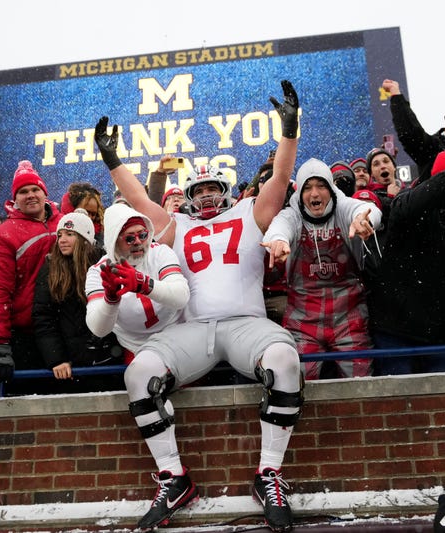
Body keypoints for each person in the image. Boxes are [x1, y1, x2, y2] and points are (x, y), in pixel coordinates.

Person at [92, 79, 303, 533]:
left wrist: (290, 132)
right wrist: (114, 163)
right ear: (189, 195)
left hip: (247, 323)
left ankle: (269, 473)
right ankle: (174, 477)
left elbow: (282, 180)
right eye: (200, 190)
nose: (207, 197)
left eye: (213, 189)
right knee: (138, 374)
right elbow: (138, 201)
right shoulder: (176, 224)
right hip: (193, 330)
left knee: (285, 360)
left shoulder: (248, 211)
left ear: (225, 190)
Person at [262, 158, 382, 380]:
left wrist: (364, 221)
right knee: (299, 383)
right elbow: (279, 227)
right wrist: (278, 240)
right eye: (308, 187)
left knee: (360, 384)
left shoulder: (343, 206)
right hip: (303, 321)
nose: (314, 194)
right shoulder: (293, 214)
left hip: (349, 317)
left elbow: (367, 209)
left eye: (321, 186)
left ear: (331, 188)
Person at [369, 151, 445, 375]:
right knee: (398, 400)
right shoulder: (412, 204)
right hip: (396, 327)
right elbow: (403, 207)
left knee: (443, 400)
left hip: (439, 330)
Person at [0, 160, 62, 388]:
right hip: (29, 333)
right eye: (23, 191)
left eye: (35, 189)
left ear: (44, 193)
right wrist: (0, 345)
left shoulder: (65, 221)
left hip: (67, 327)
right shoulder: (6, 233)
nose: (30, 195)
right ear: (14, 199)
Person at [33, 208, 125, 392]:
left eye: (69, 234)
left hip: (110, 358)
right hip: (71, 364)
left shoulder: (105, 264)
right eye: (60, 235)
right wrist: (56, 358)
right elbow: (43, 318)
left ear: (85, 239)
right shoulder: (50, 269)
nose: (62, 240)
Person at [85, 202, 188, 364]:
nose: (138, 242)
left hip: (176, 337)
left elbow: (181, 297)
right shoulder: (99, 271)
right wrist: (110, 300)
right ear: (113, 241)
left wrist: (145, 285)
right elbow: (98, 329)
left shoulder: (160, 252)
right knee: (140, 380)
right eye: (130, 238)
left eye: (143, 235)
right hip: (135, 347)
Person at [60, 182, 105, 246]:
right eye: (86, 212)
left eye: (93, 214)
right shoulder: (58, 232)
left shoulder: (99, 238)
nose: (89, 217)